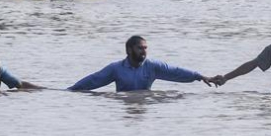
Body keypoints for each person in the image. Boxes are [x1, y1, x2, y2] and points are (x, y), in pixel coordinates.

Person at [69, 35, 212, 92]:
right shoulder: (116, 69)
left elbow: (176, 72)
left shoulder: (152, 67)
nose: (144, 51)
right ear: (129, 50)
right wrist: (69, 91)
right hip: (124, 106)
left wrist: (200, 76)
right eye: (140, 48)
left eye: (145, 48)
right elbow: (94, 80)